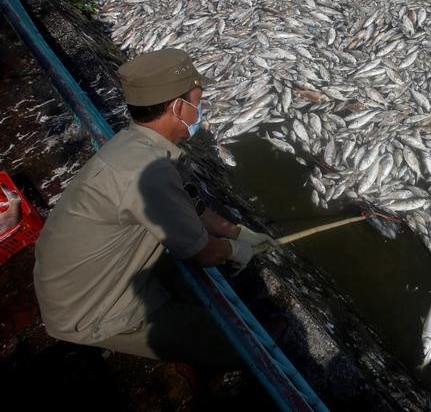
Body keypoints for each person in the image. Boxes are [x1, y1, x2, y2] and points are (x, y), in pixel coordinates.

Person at [33, 48, 275, 369]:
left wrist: (239, 232)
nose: (199, 110)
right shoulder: (148, 171)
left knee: (186, 281)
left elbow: (190, 206)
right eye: (197, 101)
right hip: (88, 310)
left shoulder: (134, 143)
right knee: (237, 350)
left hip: (71, 279)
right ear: (178, 107)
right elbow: (205, 253)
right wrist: (236, 249)